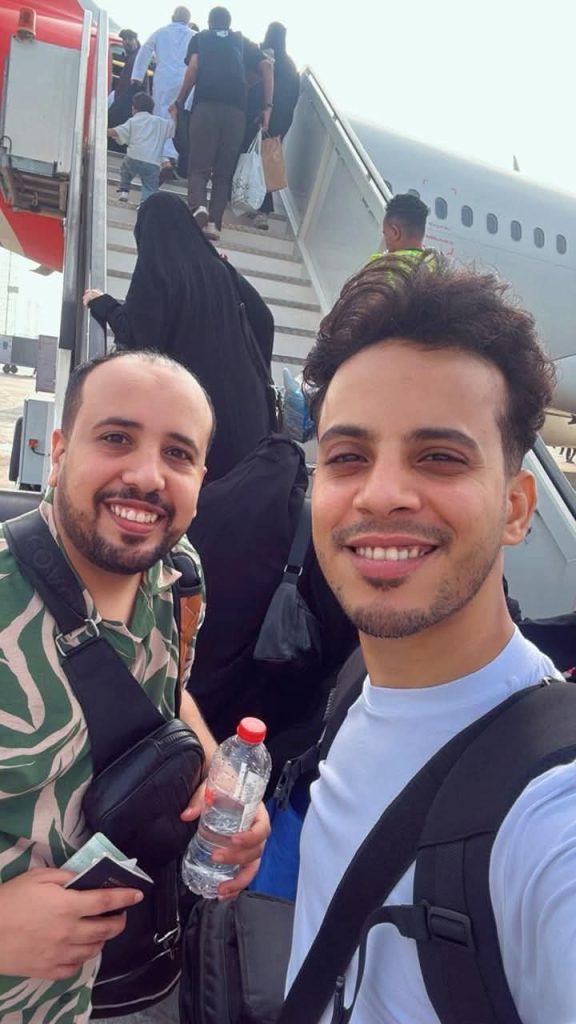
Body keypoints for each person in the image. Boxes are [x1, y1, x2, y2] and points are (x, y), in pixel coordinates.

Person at [285, 256, 576, 1022]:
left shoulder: (551, 810)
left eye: (439, 457)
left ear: (516, 509)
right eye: (348, 457)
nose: (380, 493)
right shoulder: (359, 684)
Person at [0, 349, 269, 1024]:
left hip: (104, 992)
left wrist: (220, 780)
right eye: (117, 437)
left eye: (178, 454)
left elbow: (169, 689)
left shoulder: (178, 574)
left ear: (201, 478)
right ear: (59, 450)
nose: (147, 476)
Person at [83, 192, 276, 483]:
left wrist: (102, 303)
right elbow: (264, 319)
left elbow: (137, 334)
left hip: (201, 416)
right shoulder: (221, 269)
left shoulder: (158, 266)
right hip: (252, 415)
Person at [172, 6, 273, 241]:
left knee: (199, 166)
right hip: (236, 112)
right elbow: (267, 66)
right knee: (224, 171)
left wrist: (179, 101)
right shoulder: (240, 40)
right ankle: (214, 225)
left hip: (206, 106)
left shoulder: (201, 38)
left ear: (209, 22)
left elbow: (194, 67)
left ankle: (198, 207)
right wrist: (266, 105)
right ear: (229, 23)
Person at [247, 22, 300, 231]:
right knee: (267, 163)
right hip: (279, 123)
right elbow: (292, 99)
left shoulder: (261, 55)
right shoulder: (290, 66)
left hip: (256, 117)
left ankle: (251, 201)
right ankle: (262, 210)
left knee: (249, 159)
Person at [130, 6, 194, 167]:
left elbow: (145, 50)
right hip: (185, 80)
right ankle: (173, 154)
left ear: (172, 17)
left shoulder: (161, 32)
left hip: (163, 79)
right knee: (178, 116)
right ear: (189, 21)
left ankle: (162, 155)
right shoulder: (194, 36)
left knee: (160, 114)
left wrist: (137, 76)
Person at [108, 92, 176, 204]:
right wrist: (174, 114)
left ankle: (124, 191)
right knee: (150, 186)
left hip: (133, 158)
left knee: (125, 171)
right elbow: (173, 128)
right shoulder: (161, 123)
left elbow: (117, 132)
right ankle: (144, 203)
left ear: (134, 108)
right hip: (152, 163)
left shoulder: (133, 121)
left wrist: (103, 131)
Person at [108, 29, 142, 142]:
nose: (127, 42)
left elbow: (134, 84)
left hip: (128, 102)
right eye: (124, 39)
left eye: (130, 38)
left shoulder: (137, 58)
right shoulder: (133, 57)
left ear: (136, 40)